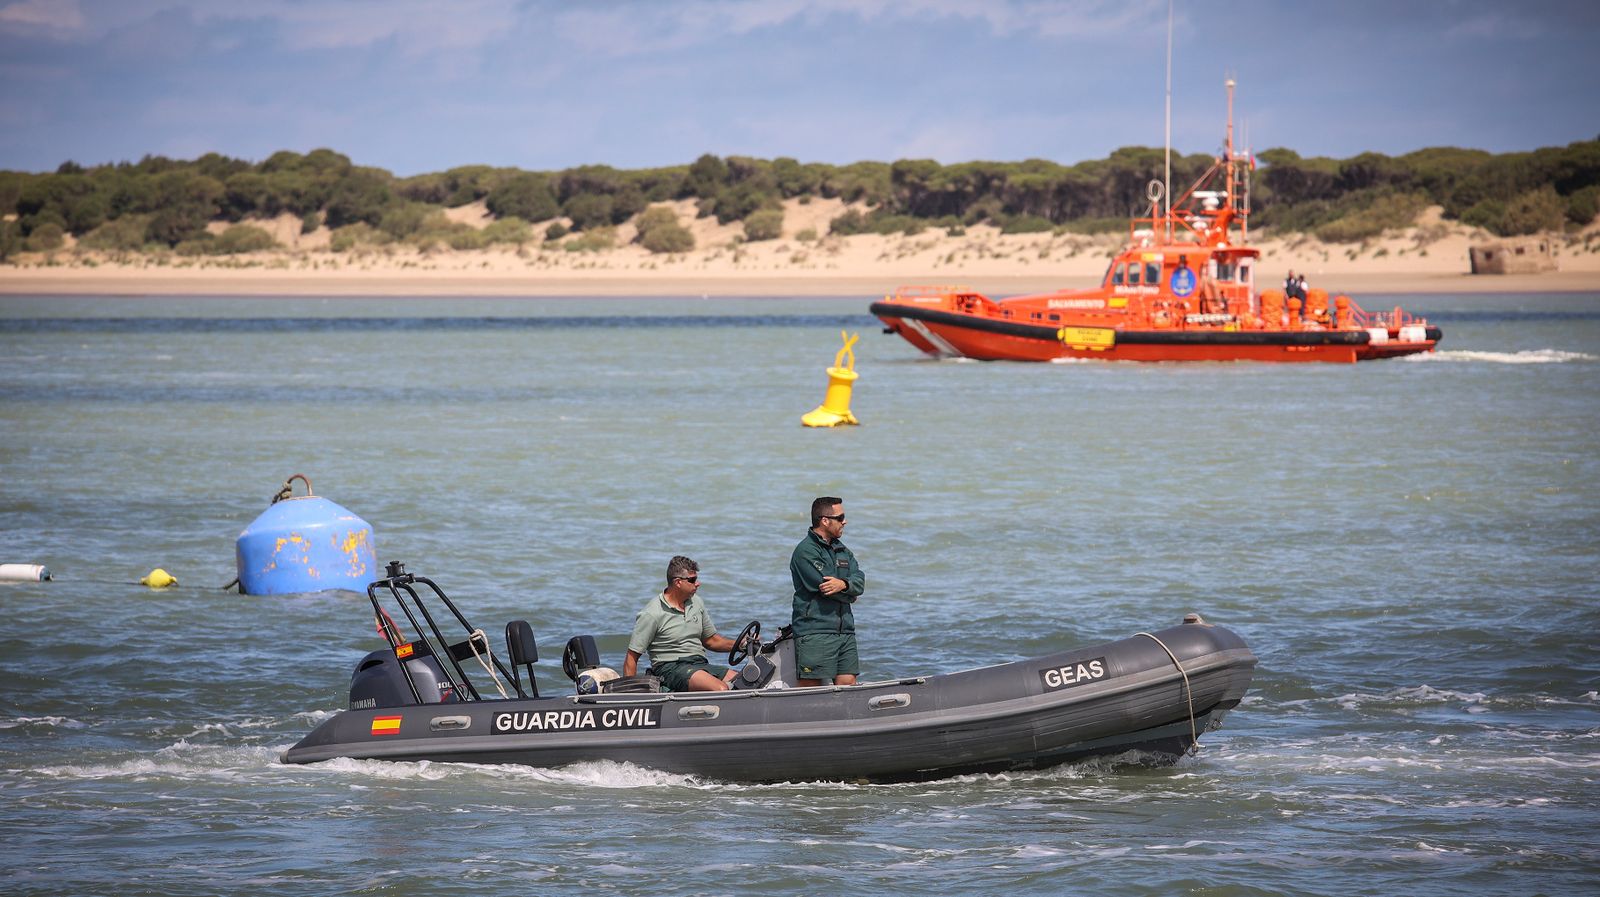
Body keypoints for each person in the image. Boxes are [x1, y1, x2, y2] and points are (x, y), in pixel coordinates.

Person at [624, 556, 739, 692]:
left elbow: (711, 641)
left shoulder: (696, 603)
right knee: (720, 689)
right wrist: (629, 696)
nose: (698, 583)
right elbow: (631, 657)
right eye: (692, 580)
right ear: (678, 582)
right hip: (670, 668)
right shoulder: (651, 614)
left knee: (745, 682)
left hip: (699, 664)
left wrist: (743, 644)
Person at [789, 496, 866, 687]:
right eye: (840, 517)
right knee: (810, 688)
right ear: (825, 520)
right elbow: (825, 587)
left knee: (848, 684)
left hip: (845, 631)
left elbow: (860, 580)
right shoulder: (805, 551)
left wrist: (845, 585)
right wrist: (849, 593)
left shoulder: (843, 551)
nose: (845, 521)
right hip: (815, 631)